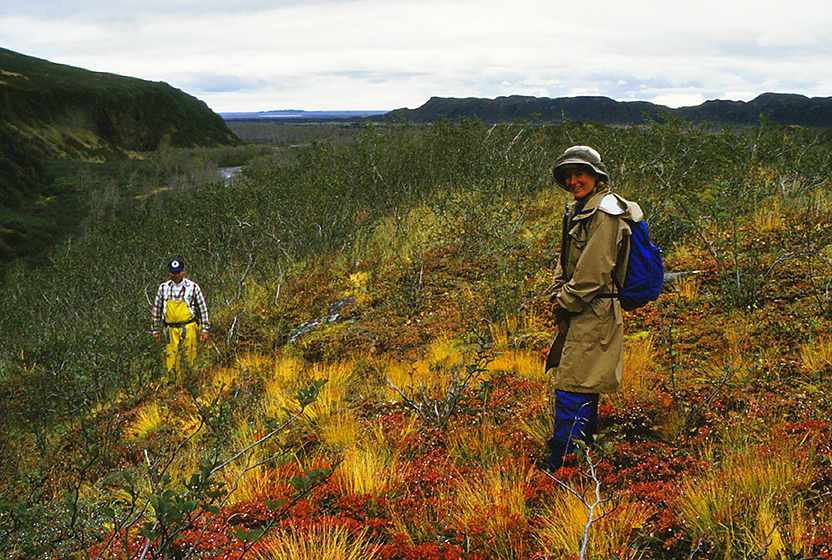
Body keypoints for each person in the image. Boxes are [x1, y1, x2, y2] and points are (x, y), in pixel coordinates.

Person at [544, 145, 644, 471]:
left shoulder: (605, 212)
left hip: (595, 311)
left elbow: (594, 270)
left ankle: (564, 470)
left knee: (574, 387)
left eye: (580, 173)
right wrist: (560, 291)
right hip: (584, 310)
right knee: (583, 385)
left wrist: (565, 301)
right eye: (568, 175)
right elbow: (567, 262)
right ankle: (582, 459)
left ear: (596, 175)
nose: (574, 180)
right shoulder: (580, 208)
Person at [152, 258, 209, 380]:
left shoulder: (193, 287)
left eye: (178, 272)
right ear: (169, 273)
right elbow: (156, 310)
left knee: (189, 359)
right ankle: (174, 387)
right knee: (171, 361)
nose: (176, 275)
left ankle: (189, 385)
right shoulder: (163, 288)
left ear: (183, 271)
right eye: (173, 273)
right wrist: (155, 331)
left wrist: (204, 329)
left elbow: (202, 309)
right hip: (170, 330)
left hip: (189, 327)